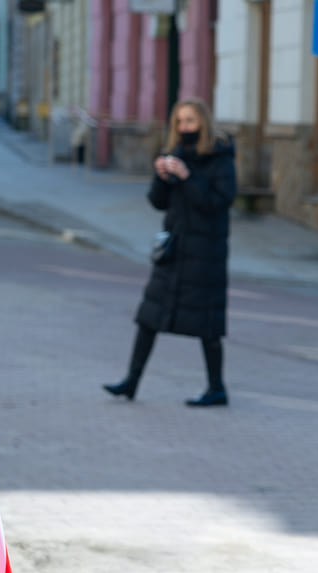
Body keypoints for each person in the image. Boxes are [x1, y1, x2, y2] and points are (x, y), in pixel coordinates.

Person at [103, 98, 237, 407]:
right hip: (174, 250)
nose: (183, 128)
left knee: (208, 324)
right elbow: (158, 202)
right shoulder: (176, 154)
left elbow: (218, 202)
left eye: (190, 121)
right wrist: (162, 177)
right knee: (149, 316)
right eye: (179, 122)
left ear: (203, 123)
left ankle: (217, 388)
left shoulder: (220, 158)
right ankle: (131, 382)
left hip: (206, 253)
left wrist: (189, 177)